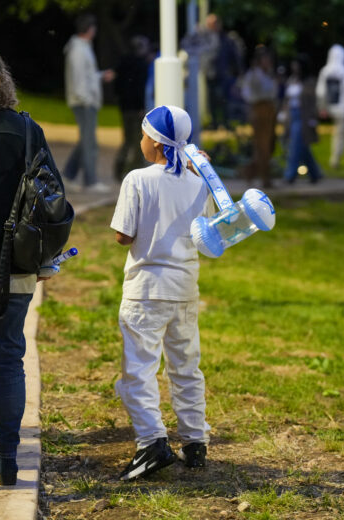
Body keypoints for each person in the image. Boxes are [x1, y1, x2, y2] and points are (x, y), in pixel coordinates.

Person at [110, 105, 211, 481]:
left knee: (139, 370)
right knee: (185, 366)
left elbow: (123, 235)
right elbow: (208, 233)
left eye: (142, 134)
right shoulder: (200, 180)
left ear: (153, 141)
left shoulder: (137, 179)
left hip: (146, 289)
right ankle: (195, 441)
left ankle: (152, 443)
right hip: (185, 286)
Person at [0, 47, 64, 486]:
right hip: (11, 265)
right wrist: (46, 260)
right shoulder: (27, 131)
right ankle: (8, 458)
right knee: (8, 361)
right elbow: (52, 200)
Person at [63, 13, 114, 192]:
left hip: (85, 100)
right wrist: (86, 99)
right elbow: (78, 79)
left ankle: (68, 175)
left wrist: (100, 76)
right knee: (90, 143)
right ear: (89, 29)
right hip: (83, 102)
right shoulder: (78, 49)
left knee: (85, 141)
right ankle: (90, 182)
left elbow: (86, 76)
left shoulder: (82, 47)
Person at [113, 35, 151, 181]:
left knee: (127, 140)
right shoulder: (141, 65)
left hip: (124, 106)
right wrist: (141, 106)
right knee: (137, 141)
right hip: (136, 108)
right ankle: (134, 171)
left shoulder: (123, 62)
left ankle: (119, 168)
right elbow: (140, 88)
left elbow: (118, 85)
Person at [240, 46, 277, 187]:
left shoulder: (268, 74)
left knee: (269, 145)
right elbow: (248, 93)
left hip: (269, 108)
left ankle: (249, 171)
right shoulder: (254, 75)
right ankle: (264, 177)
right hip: (259, 109)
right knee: (262, 146)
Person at [316, 44, 344, 170]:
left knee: (337, 133)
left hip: (330, 106)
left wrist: (322, 107)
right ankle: (335, 158)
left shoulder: (325, 70)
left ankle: (334, 157)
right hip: (342, 108)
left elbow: (320, 91)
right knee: (340, 133)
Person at [282, 55, 322, 184]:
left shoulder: (309, 82)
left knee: (295, 145)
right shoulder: (292, 80)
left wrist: (312, 118)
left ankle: (290, 175)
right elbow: (287, 99)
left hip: (303, 116)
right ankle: (315, 173)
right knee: (303, 147)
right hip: (292, 115)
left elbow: (312, 101)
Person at [202, 13, 241, 130]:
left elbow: (233, 56)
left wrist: (236, 72)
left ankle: (225, 123)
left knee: (224, 100)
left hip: (223, 74)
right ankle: (214, 123)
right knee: (212, 100)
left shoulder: (226, 39)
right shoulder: (205, 40)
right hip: (210, 74)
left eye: (212, 24)